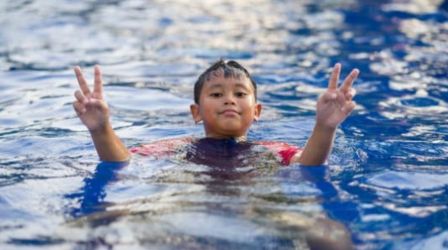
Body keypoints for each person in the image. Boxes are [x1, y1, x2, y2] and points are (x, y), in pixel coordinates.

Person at [73, 59, 358, 166]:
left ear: (256, 111)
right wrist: (101, 129)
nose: (229, 100)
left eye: (240, 94)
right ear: (196, 112)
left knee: (326, 233)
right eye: (217, 94)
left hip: (257, 207)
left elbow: (307, 163)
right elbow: (123, 161)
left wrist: (325, 126)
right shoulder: (178, 148)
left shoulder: (271, 151)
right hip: (189, 204)